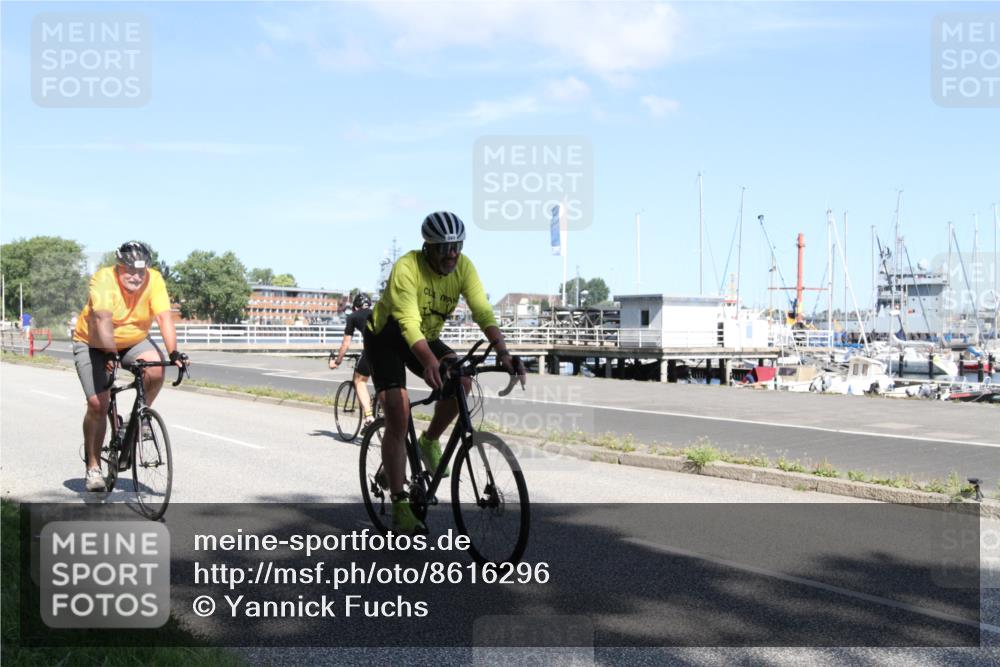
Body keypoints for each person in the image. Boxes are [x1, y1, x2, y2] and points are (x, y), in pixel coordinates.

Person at [362, 211, 525, 535]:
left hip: (424, 335)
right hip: (387, 336)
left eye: (457, 246)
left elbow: (482, 311)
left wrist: (503, 352)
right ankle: (400, 506)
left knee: (462, 379)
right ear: (428, 247)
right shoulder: (407, 267)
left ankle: (429, 441)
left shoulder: (463, 267)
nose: (452, 254)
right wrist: (428, 362)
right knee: (398, 413)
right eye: (444, 247)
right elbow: (408, 323)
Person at [72, 242, 187, 491]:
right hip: (94, 342)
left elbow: (164, 317)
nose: (136, 276)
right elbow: (102, 318)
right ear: (118, 267)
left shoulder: (154, 280)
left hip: (133, 340)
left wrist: (174, 352)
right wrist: (110, 353)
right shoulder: (103, 279)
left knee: (155, 370)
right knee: (98, 404)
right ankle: (93, 466)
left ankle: (137, 419)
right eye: (130, 271)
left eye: (141, 271)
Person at [329, 293, 375, 426]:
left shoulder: (353, 316)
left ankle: (369, 417)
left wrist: (337, 361)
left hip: (373, 349)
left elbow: (345, 344)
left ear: (355, 308)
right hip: (391, 349)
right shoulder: (376, 313)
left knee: (359, 381)